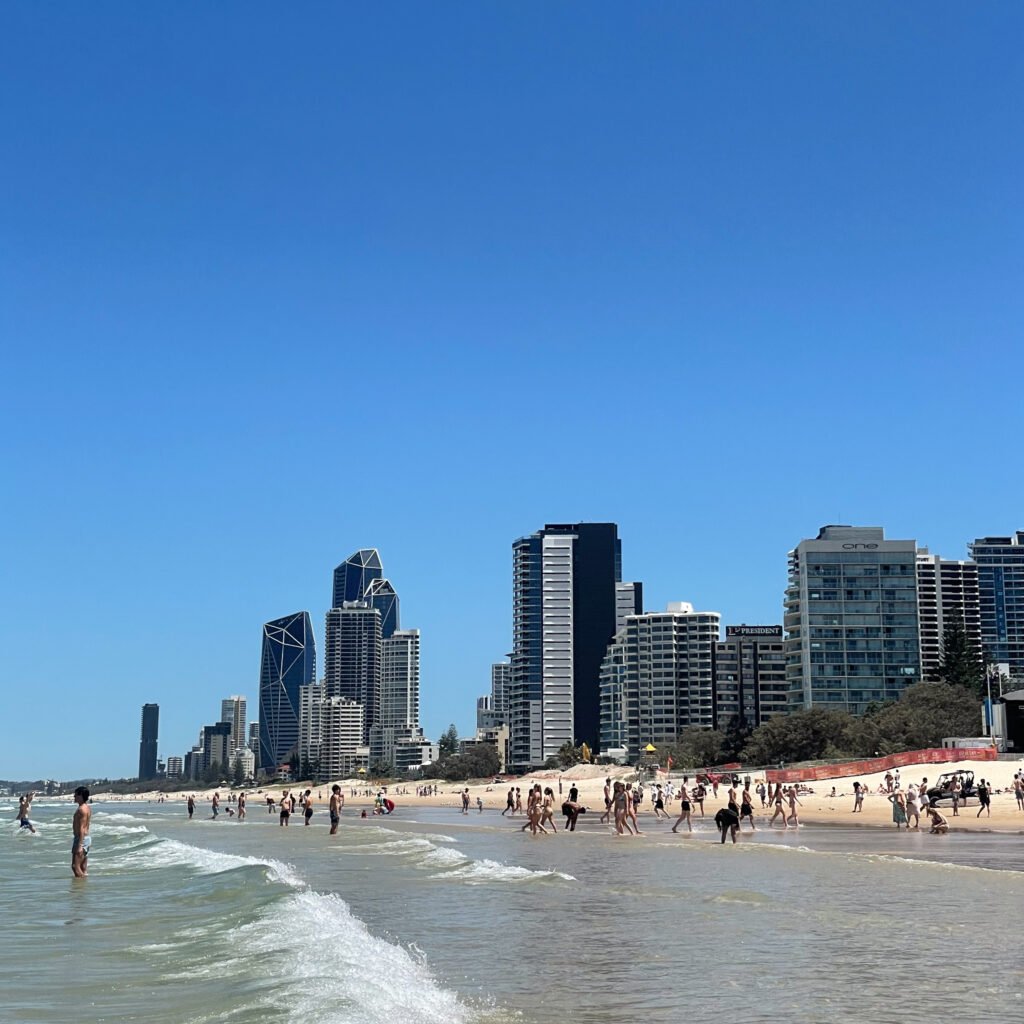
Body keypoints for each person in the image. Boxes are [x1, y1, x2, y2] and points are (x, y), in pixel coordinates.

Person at [71, 786, 91, 878]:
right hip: (85, 839)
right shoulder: (86, 807)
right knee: (83, 867)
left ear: (81, 796)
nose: (74, 796)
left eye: (76, 795)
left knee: (75, 866)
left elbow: (82, 828)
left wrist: (80, 845)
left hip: (81, 839)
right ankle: (83, 888)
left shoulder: (81, 810)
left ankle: (79, 888)